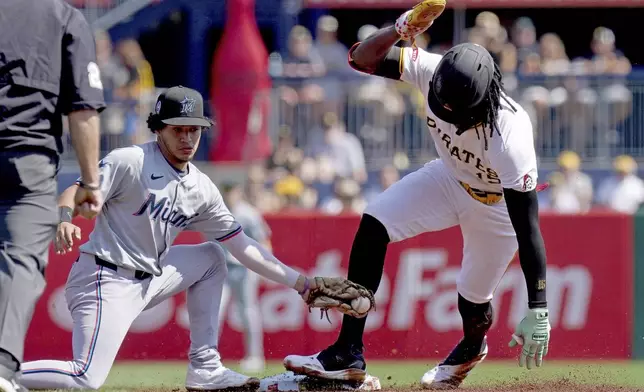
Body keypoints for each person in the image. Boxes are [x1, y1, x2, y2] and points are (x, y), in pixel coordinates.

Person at [284, 4, 551, 390]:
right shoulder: (431, 68)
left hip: (496, 204)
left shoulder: (511, 135)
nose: (449, 117)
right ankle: (347, 351)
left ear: (486, 97)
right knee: (374, 223)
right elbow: (360, 58)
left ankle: (473, 347)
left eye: (459, 113)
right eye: (443, 106)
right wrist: (400, 29)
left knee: (473, 302)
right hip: (447, 178)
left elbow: (528, 229)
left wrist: (538, 308)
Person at [17, 86, 320, 391]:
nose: (187, 138)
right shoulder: (130, 161)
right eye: (178, 129)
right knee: (85, 378)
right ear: (158, 128)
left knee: (212, 258)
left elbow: (242, 246)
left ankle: (205, 368)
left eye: (194, 129)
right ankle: (5, 373)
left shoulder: (201, 188)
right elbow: (76, 191)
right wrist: (65, 219)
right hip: (104, 277)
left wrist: (302, 284)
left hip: (151, 278)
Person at [0, 0, 104, 390]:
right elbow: (83, 108)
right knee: (19, 259)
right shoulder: (64, 17)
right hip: (26, 156)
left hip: (26, 155)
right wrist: (91, 183)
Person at [218, 183, 269, 373]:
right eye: (227, 191)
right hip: (222, 268)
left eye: (232, 191)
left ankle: (255, 356)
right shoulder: (217, 210)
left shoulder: (248, 213)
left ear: (239, 192)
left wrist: (263, 267)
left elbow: (263, 241)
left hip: (245, 267)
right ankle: (208, 356)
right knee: (215, 311)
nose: (230, 195)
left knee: (248, 311)